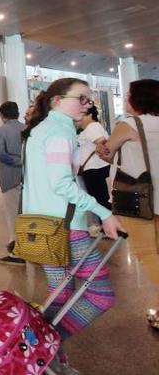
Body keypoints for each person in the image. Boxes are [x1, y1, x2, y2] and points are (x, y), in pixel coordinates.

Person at [21, 78, 125, 373]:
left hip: (41, 226)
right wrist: (103, 212)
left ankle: (50, 361)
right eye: (81, 98)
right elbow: (62, 184)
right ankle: (41, 348)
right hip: (66, 227)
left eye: (88, 100)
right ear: (57, 101)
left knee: (61, 296)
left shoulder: (42, 130)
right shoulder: (58, 132)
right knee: (100, 294)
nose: (87, 104)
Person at [95, 78, 159, 331]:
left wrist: (101, 145)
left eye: (128, 93)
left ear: (137, 99)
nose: (126, 98)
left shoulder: (130, 124)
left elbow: (107, 153)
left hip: (140, 196)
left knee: (145, 252)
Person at [0, 101, 27, 266]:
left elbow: (2, 155)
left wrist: (20, 162)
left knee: (13, 215)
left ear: (2, 115)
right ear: (18, 113)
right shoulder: (27, 129)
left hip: (10, 178)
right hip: (29, 178)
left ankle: (16, 252)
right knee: (28, 214)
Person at [76, 105, 111, 212]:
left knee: (101, 202)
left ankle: (109, 227)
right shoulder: (92, 127)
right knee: (102, 201)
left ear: (90, 115)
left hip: (96, 170)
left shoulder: (92, 127)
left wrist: (100, 147)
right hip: (96, 169)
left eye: (81, 115)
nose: (78, 119)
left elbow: (101, 141)